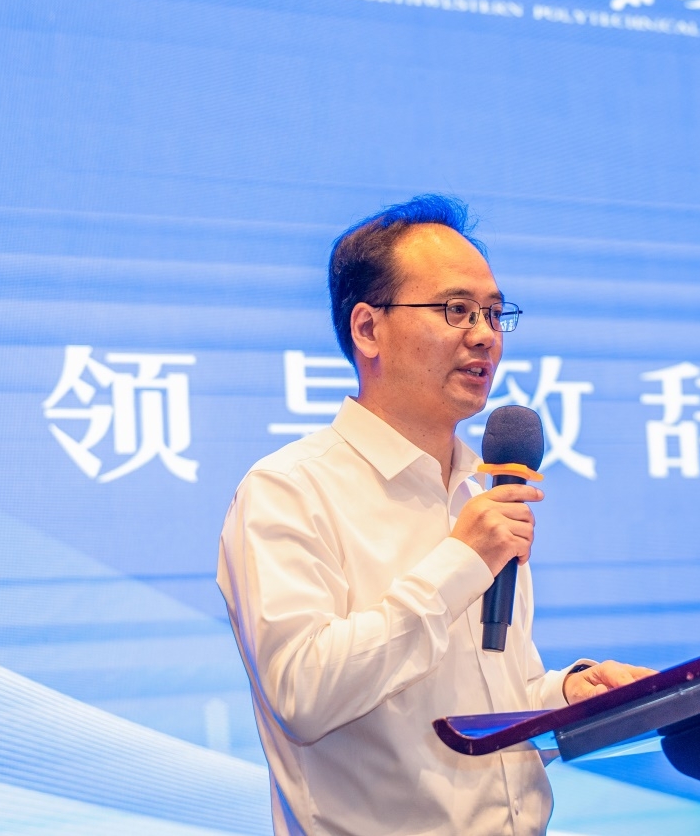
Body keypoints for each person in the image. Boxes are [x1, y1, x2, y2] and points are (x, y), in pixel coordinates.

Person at [217, 195, 654, 835]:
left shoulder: (478, 490)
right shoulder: (289, 490)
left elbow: (485, 703)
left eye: (494, 313)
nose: (484, 335)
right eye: (455, 310)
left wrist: (563, 695)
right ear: (368, 329)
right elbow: (303, 695)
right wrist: (460, 562)